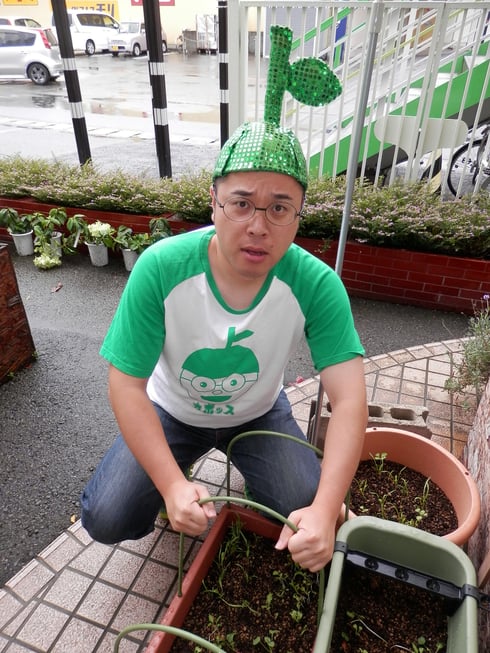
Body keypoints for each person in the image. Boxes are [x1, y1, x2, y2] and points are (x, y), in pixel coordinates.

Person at [81, 26, 367, 573]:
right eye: (241, 203)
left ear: (299, 216)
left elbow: (350, 400)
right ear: (213, 202)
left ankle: (265, 480)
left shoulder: (316, 284)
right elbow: (126, 383)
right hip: (171, 409)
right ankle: (176, 481)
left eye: (279, 208)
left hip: (259, 411)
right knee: (107, 515)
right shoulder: (161, 268)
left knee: (306, 506)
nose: (258, 226)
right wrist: (171, 486)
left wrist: (325, 510)